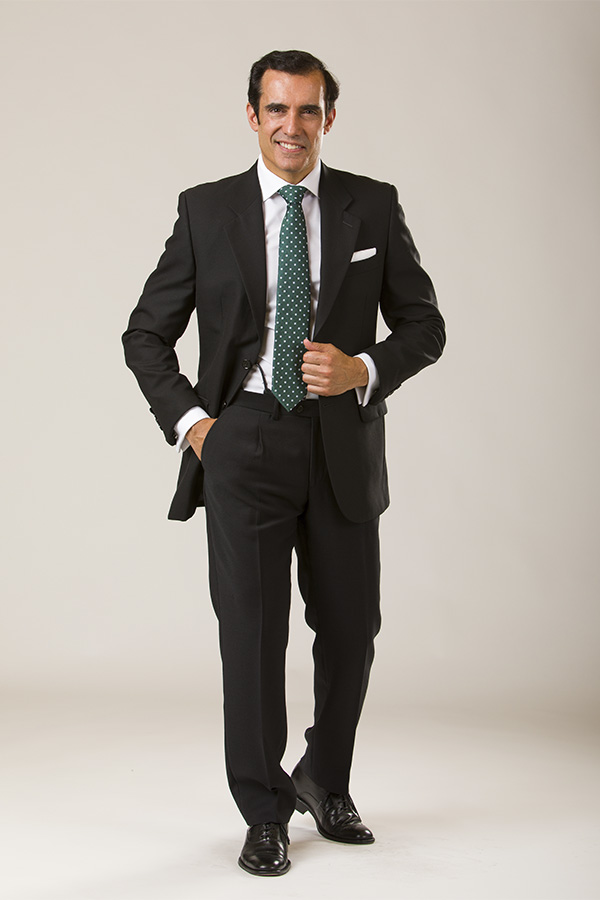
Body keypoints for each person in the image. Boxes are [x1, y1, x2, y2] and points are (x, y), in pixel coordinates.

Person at [122, 49, 445, 877]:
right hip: (246, 441)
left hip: (340, 444)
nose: (291, 126)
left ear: (328, 118)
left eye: (308, 110)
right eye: (277, 109)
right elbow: (145, 333)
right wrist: (198, 425)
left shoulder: (372, 205)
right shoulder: (206, 210)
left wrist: (362, 367)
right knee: (253, 639)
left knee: (351, 631)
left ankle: (325, 779)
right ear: (252, 115)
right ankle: (263, 811)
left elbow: (424, 325)